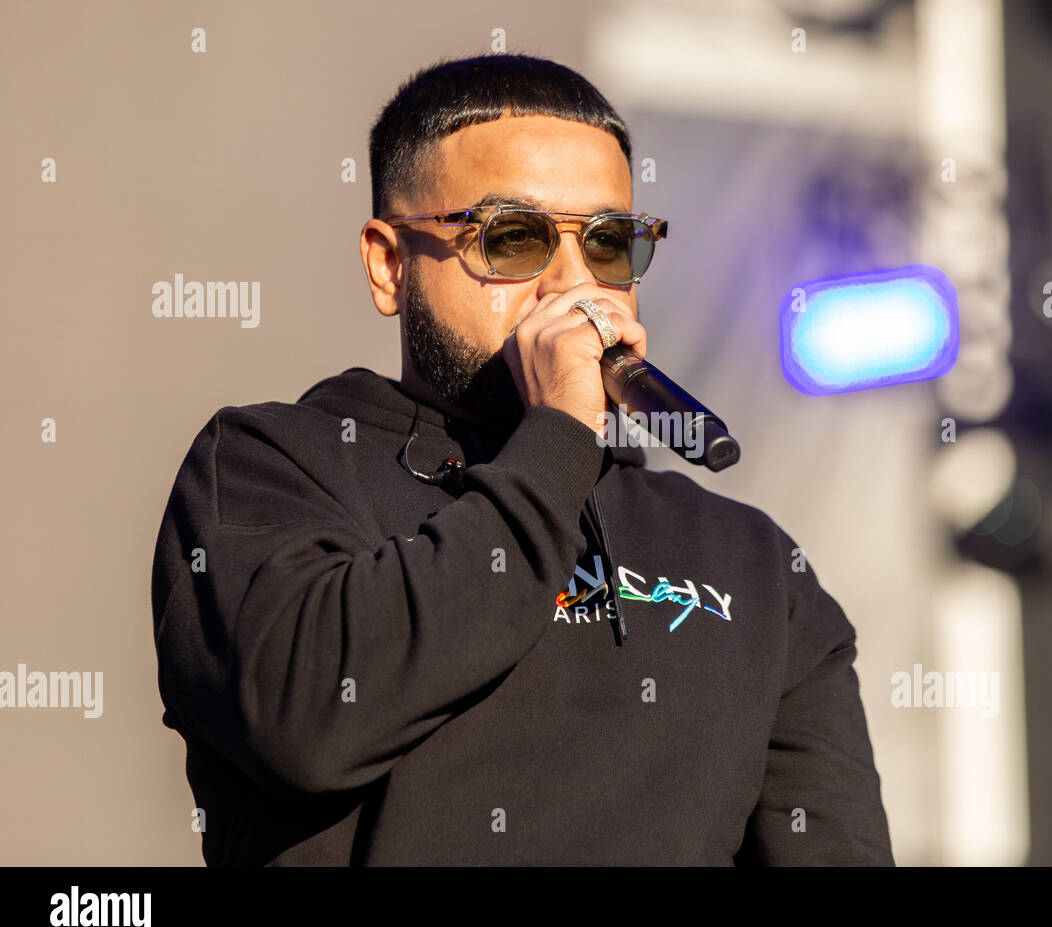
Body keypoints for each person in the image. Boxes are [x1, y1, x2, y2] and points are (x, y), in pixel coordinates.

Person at [150, 53, 894, 866]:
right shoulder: (276, 465)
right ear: (389, 262)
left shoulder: (753, 565)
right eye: (515, 237)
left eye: (610, 244)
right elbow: (304, 721)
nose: (575, 287)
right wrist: (557, 437)